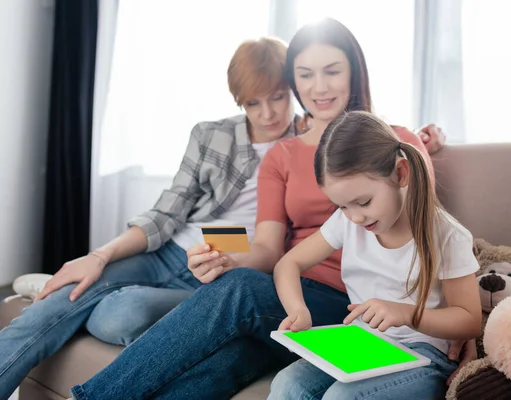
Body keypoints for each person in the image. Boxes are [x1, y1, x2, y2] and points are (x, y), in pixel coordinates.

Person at [67, 18, 452, 400]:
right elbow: (268, 249)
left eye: (332, 71)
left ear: (355, 71)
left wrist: (454, 324)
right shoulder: (281, 155)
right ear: (293, 82)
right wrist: (228, 263)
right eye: (305, 75)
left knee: (238, 291)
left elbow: (426, 234)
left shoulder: (398, 142)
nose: (319, 87)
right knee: (224, 362)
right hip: (289, 300)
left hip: (358, 307)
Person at [0, 36, 307, 400]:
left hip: (221, 274)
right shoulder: (211, 135)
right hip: (171, 251)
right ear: (240, 101)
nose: (268, 114)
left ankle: (98, 295)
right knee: (57, 304)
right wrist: (98, 256)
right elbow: (166, 212)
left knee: (118, 316)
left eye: (278, 97)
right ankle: (77, 289)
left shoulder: (308, 143)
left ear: (293, 90)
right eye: (254, 103)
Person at [268, 110, 482, 399]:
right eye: (342, 206)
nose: (355, 217)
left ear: (400, 173)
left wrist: (405, 314)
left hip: (423, 352)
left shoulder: (446, 235)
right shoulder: (348, 222)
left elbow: (469, 320)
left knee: (341, 398)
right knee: (287, 384)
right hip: (362, 345)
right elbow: (288, 264)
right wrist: (298, 311)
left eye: (363, 202)